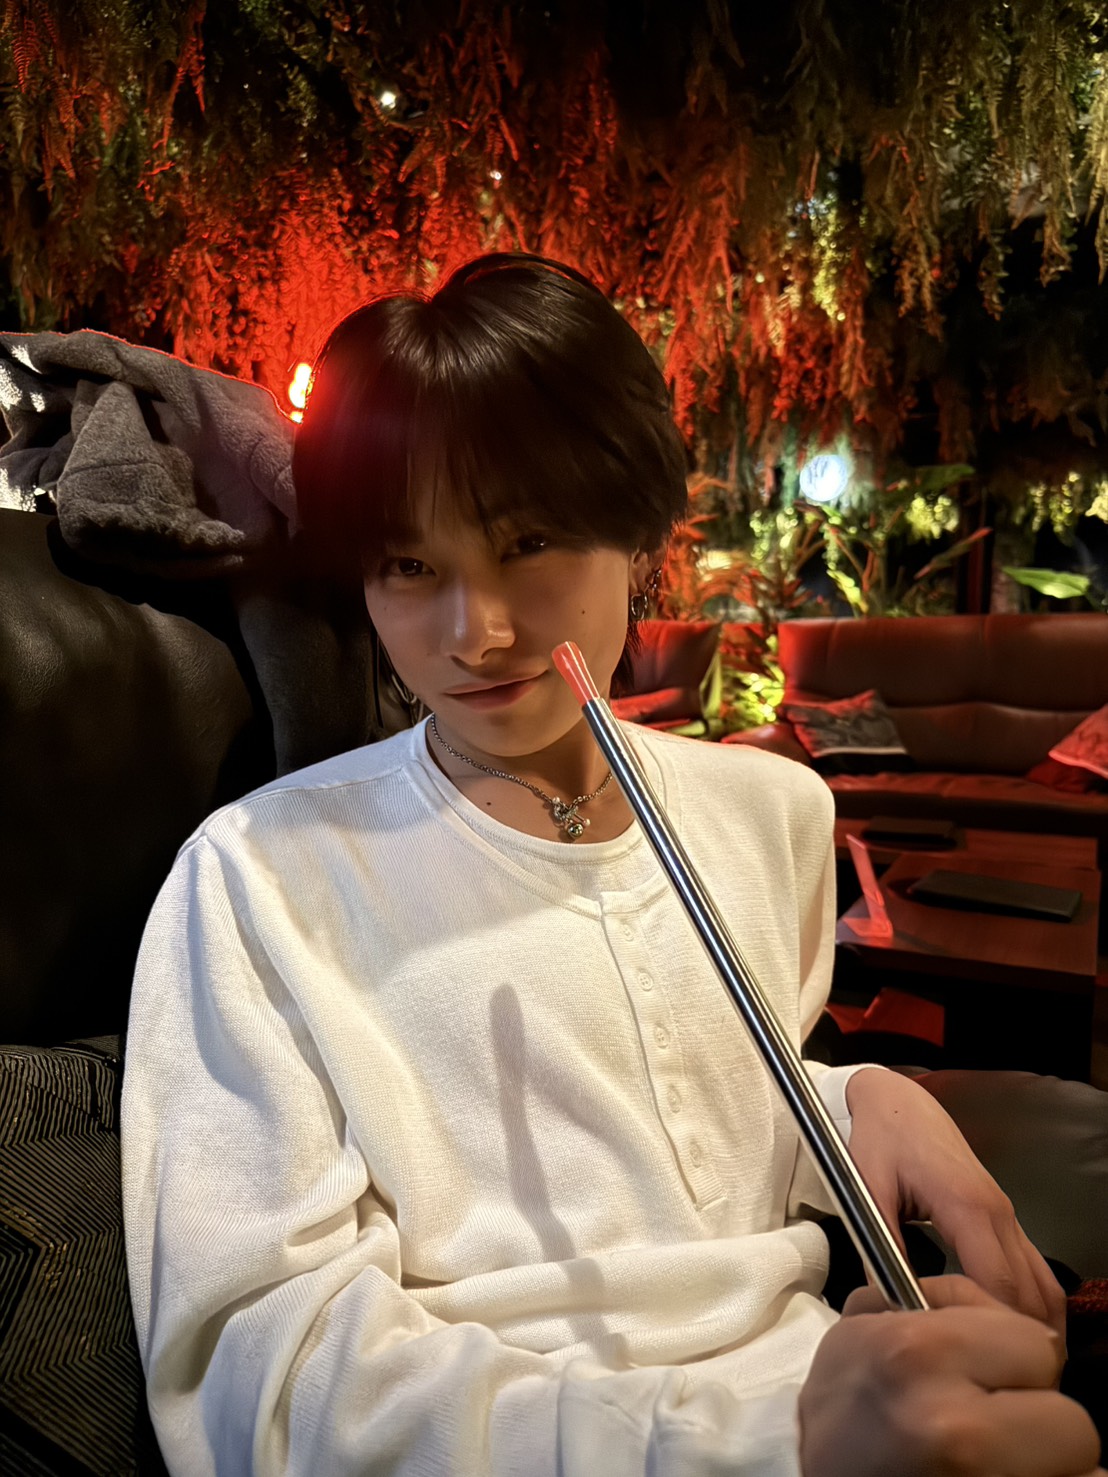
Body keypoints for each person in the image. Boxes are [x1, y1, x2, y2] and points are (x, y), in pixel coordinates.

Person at [120, 253, 1102, 1477]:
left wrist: (855, 1099)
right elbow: (258, 1378)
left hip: (857, 1392)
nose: (476, 633)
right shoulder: (257, 876)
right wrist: (765, 1445)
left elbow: (679, 1121)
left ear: (637, 529)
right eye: (409, 565)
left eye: (528, 540)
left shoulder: (772, 811)